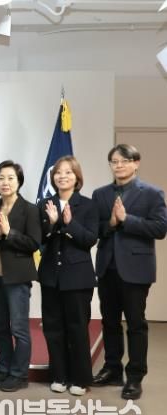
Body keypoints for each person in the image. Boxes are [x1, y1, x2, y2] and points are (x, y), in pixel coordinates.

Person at [91, 144, 167, 400]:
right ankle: (112, 369)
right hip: (107, 268)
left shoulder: (152, 194)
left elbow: (160, 229)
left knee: (136, 324)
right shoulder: (100, 194)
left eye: (125, 160)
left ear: (136, 163)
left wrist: (127, 220)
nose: (119, 165)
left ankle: (135, 376)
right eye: (114, 161)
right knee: (109, 322)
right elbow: (95, 229)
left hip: (136, 270)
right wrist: (112, 223)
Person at [37, 156, 98, 396]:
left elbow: (89, 239)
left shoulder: (88, 205)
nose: (62, 176)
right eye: (58, 173)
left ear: (77, 177)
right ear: (53, 178)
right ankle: (59, 375)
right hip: (51, 275)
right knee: (53, 328)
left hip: (78, 277)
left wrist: (69, 224)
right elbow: (39, 239)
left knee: (77, 328)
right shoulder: (45, 204)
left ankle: (80, 379)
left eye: (68, 172)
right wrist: (52, 224)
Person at [0, 160, 41, 392]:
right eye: (0, 178)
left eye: (10, 178)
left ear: (19, 182)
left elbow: (34, 243)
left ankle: (19, 374)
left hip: (17, 277)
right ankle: (3, 368)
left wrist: (9, 233)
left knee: (19, 328)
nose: (5, 182)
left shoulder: (30, 209)